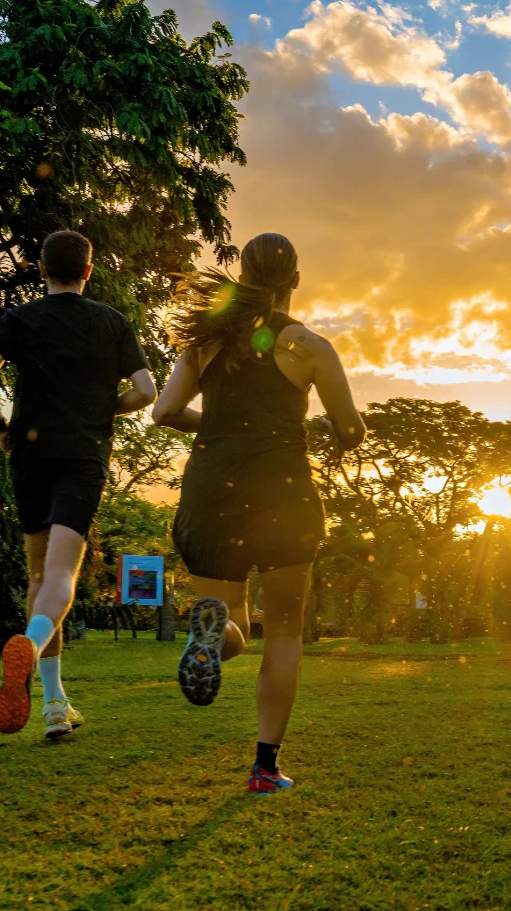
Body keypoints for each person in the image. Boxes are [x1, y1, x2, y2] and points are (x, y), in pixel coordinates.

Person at [152, 233, 366, 793]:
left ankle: (209, 639)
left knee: (233, 619)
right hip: (283, 492)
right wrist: (321, 434)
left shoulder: (206, 343)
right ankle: (264, 769)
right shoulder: (309, 346)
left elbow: (166, 411)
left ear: (242, 275)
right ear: (294, 280)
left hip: (211, 489)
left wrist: (223, 429)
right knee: (285, 634)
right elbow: (349, 428)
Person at [0, 230, 157, 740]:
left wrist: (0, 428)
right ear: (89, 271)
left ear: (41, 269)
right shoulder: (112, 322)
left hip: (29, 453)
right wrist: (104, 410)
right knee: (60, 579)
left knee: (37, 578)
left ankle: (54, 704)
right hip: (82, 455)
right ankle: (29, 651)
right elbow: (146, 391)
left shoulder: (21, 317)